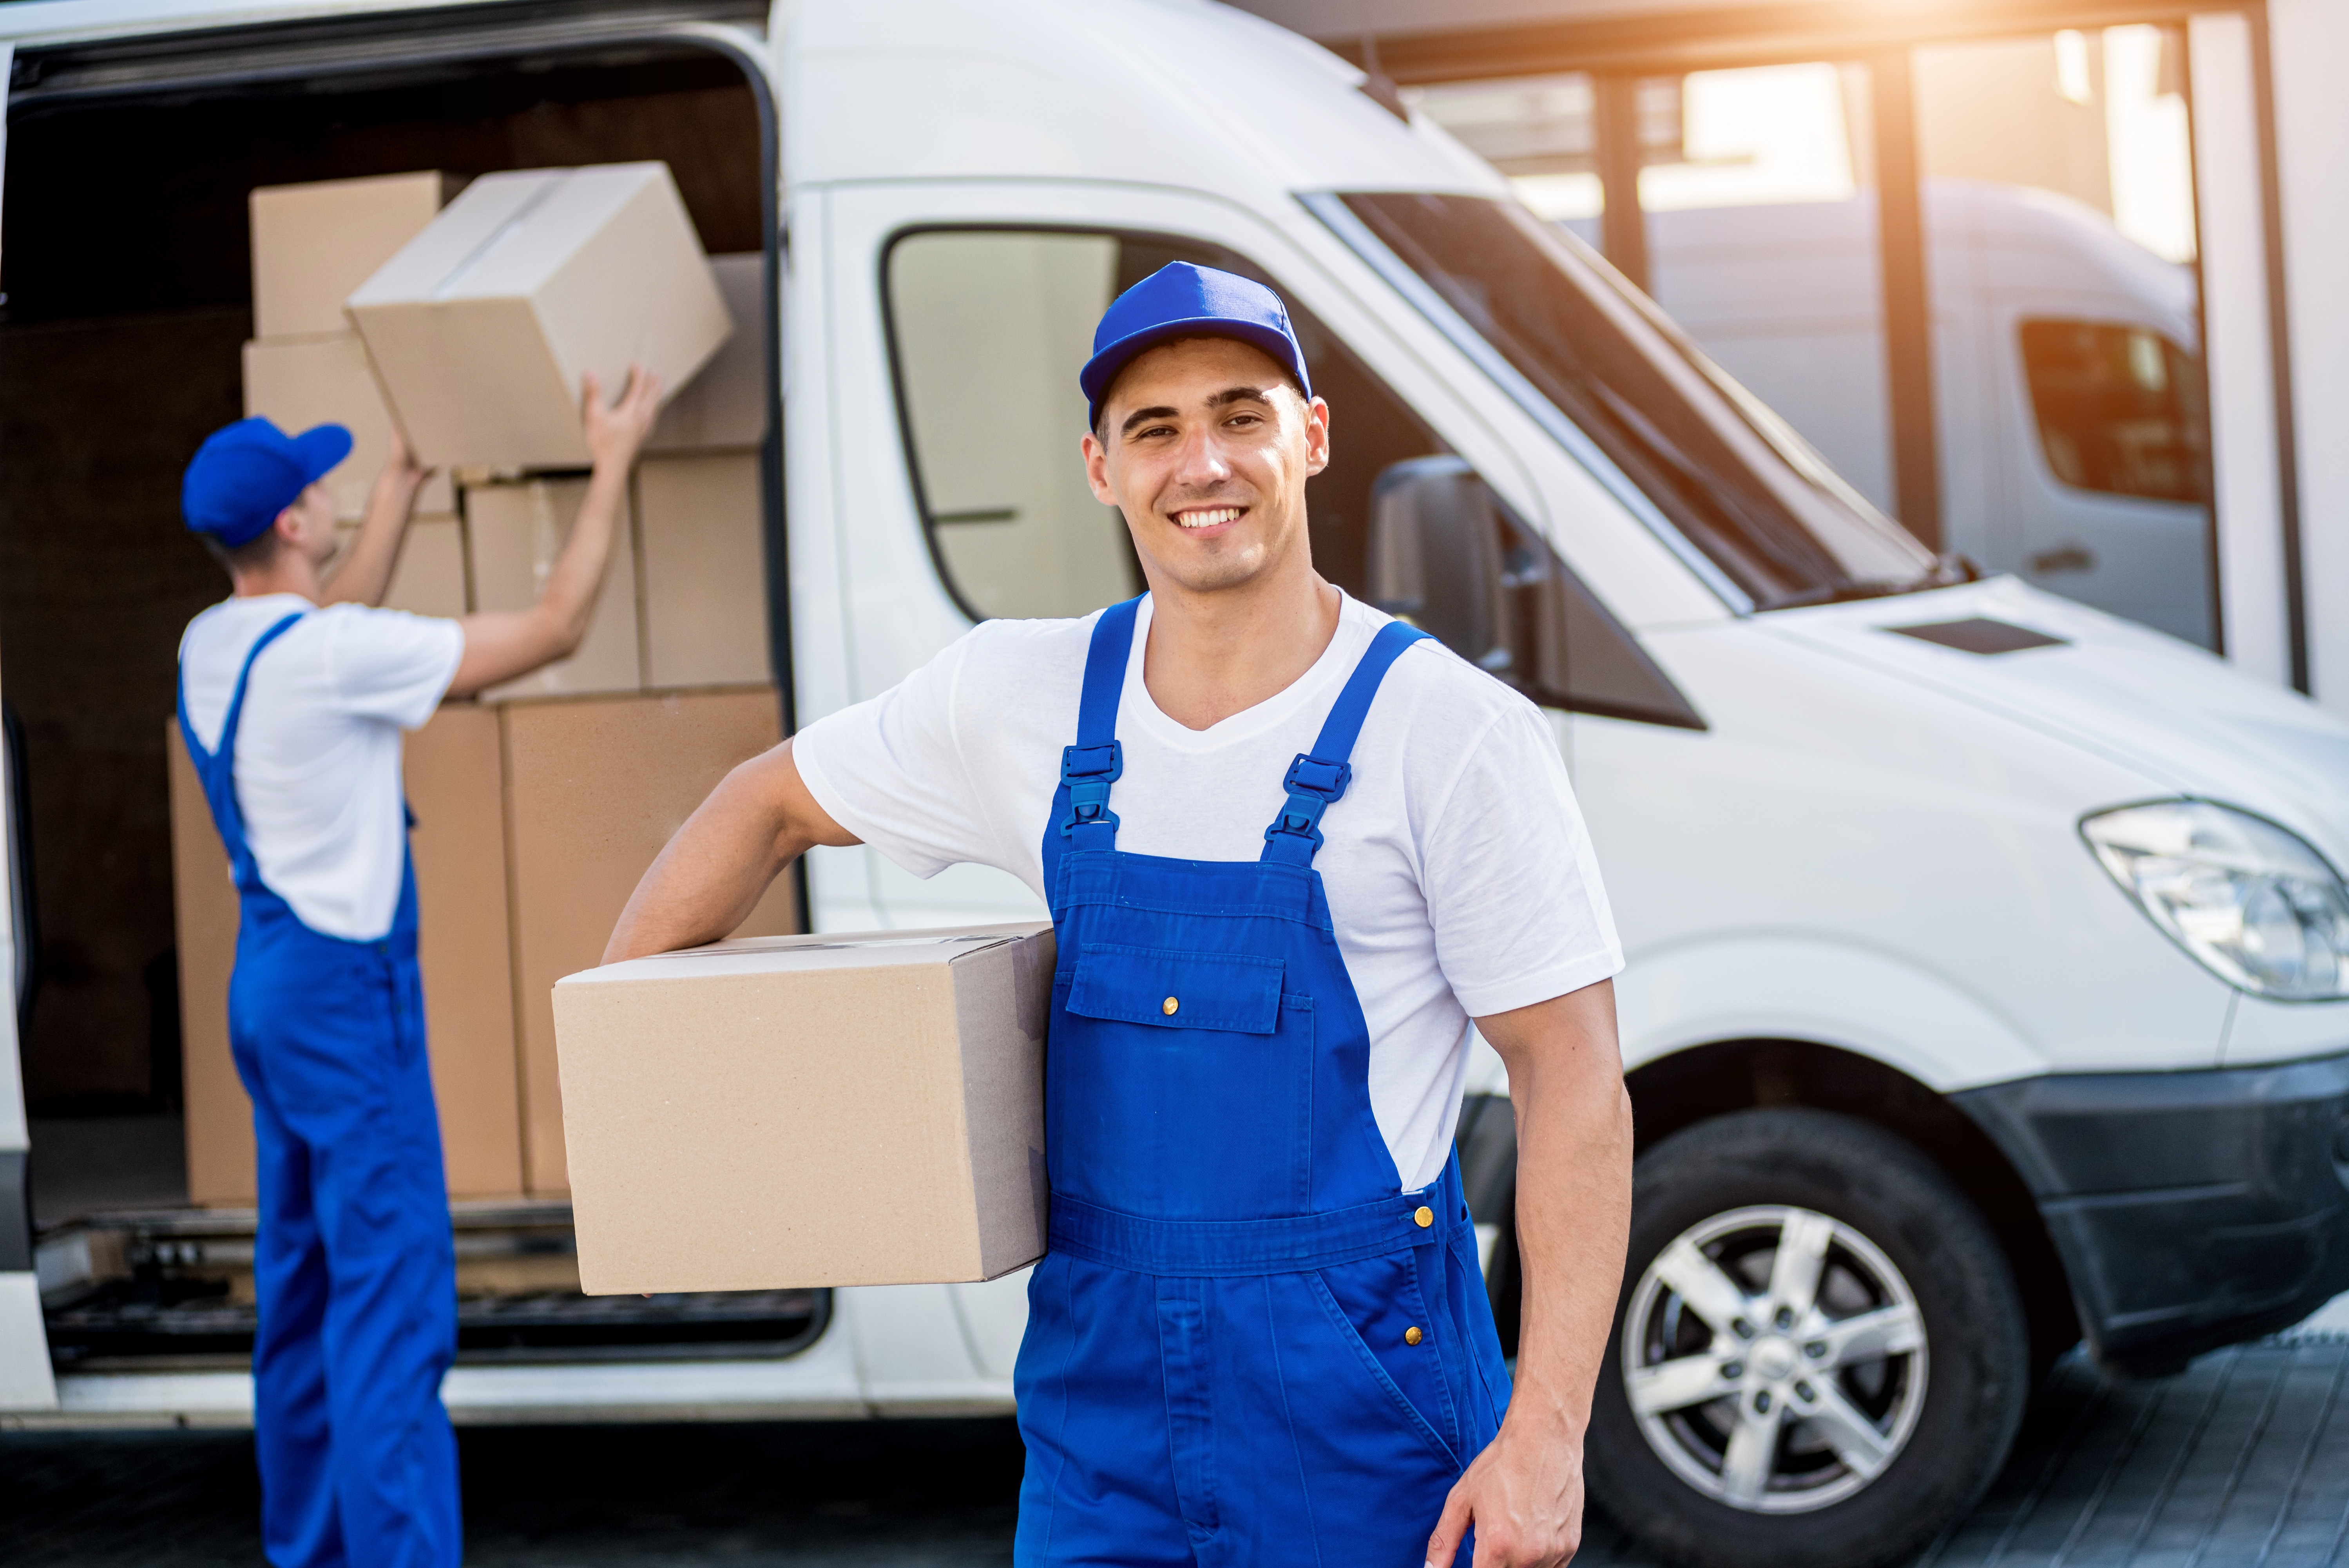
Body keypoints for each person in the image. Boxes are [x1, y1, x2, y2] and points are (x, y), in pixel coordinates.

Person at [605, 264, 1633, 1566]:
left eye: (1239, 414)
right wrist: (628, 1086)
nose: (1200, 462)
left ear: (1309, 437)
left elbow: (1572, 1074)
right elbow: (765, 805)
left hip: (1364, 1411)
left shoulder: (1449, 732)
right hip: (1103, 1428)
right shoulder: (1017, 694)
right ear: (1100, 466)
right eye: (1153, 429)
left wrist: (1546, 1434)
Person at [175, 369, 659, 1568]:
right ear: (289, 521)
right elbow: (554, 629)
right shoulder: (331, 653)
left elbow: (330, 616)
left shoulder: (218, 641)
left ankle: (313, 1550)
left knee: (298, 1297)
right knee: (389, 1312)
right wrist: (612, 460)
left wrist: (399, 483)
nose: (330, 489)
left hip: (270, 987)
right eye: (321, 483)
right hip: (345, 1002)